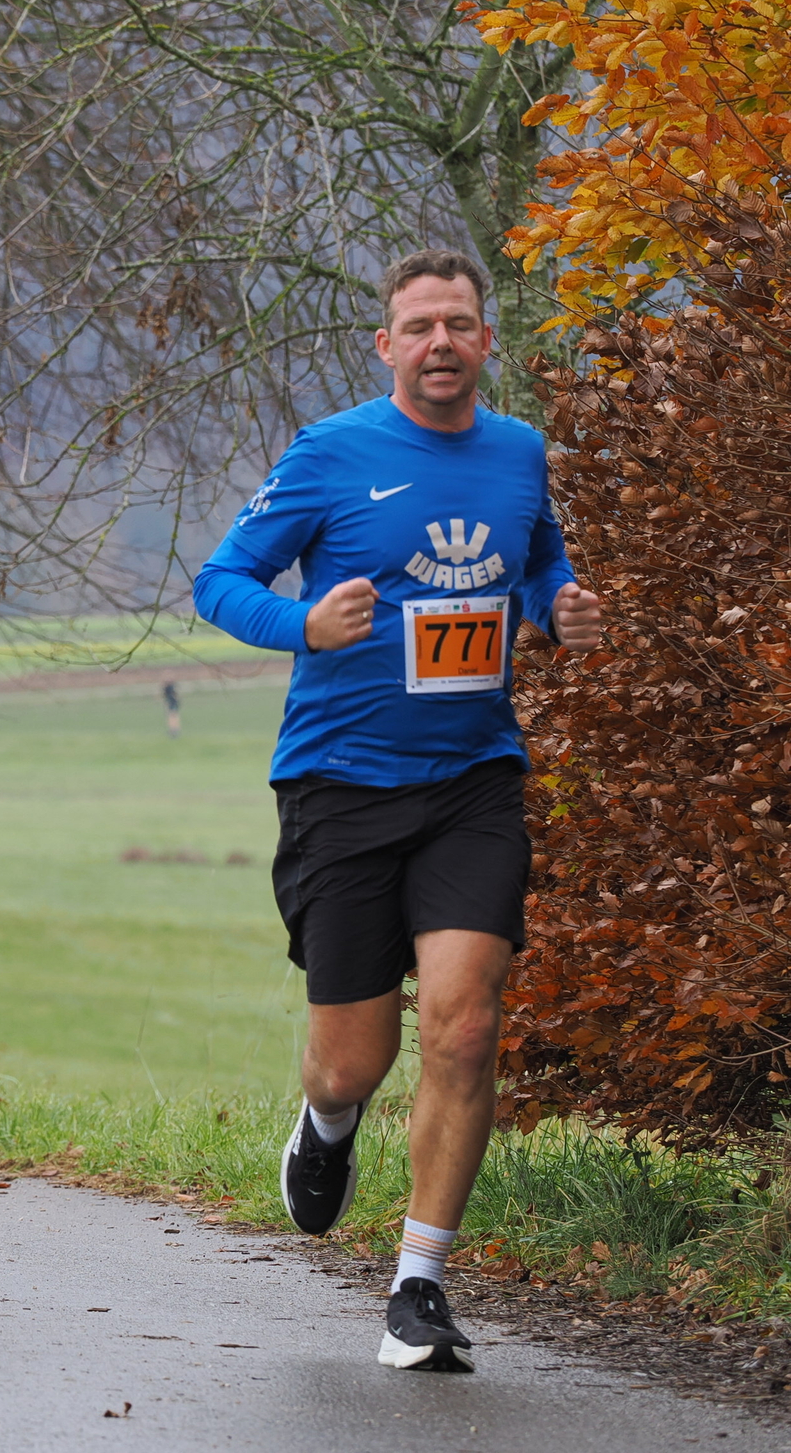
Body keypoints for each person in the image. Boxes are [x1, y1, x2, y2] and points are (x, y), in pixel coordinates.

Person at [193, 250, 605, 1372]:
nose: (439, 344)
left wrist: (557, 607)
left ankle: (417, 1286)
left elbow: (537, 566)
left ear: (484, 341)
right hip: (340, 785)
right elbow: (220, 581)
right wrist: (302, 626)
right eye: (418, 327)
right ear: (386, 347)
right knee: (350, 1062)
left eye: (458, 325)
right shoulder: (331, 454)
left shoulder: (518, 452)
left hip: (474, 780)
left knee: (465, 1026)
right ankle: (326, 1126)